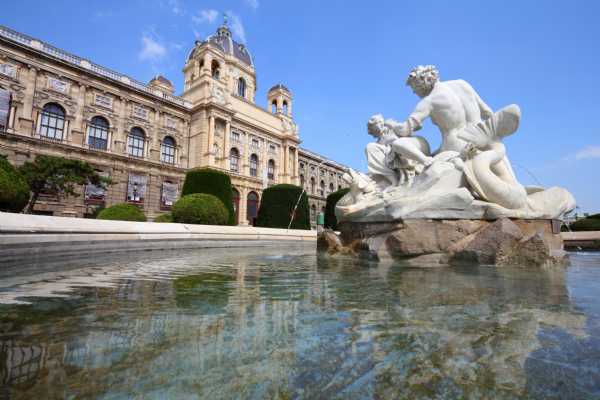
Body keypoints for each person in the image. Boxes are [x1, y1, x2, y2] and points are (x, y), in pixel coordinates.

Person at [385, 65, 493, 166]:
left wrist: (391, 124)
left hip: (456, 147)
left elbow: (404, 130)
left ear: (422, 83)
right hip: (481, 142)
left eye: (414, 88)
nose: (414, 92)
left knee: (398, 144)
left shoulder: (429, 101)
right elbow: (488, 113)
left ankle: (425, 161)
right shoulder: (462, 84)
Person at [366, 114, 429, 188]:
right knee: (370, 147)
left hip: (414, 148)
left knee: (396, 143)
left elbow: (406, 130)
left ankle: (424, 160)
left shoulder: (391, 128)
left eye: (379, 122)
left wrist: (393, 125)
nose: (379, 125)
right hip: (397, 156)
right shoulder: (378, 144)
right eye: (374, 125)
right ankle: (394, 181)